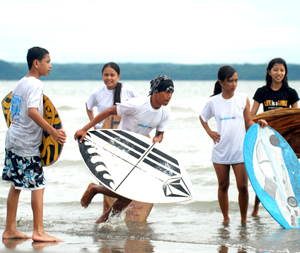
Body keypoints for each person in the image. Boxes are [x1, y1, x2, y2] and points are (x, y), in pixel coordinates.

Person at [74, 75, 174, 223]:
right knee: (127, 191)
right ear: (155, 91)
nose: (169, 96)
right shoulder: (137, 104)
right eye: (166, 92)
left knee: (131, 192)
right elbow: (109, 111)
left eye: (172, 92)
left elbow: (160, 133)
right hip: (119, 149)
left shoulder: (165, 111)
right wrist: (85, 129)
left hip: (138, 153)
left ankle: (103, 218)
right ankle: (97, 196)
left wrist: (157, 139)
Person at [2, 47, 67, 241]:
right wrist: (52, 131)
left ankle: (10, 229)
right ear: (36, 63)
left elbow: (12, 111)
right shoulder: (36, 85)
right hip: (25, 144)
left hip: (13, 140)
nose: (50, 65)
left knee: (16, 184)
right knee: (38, 185)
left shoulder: (21, 83)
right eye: (47, 61)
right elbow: (32, 111)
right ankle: (38, 232)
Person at [199, 65, 267, 225]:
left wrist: (259, 123)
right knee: (223, 185)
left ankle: (243, 221)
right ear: (221, 82)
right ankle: (226, 219)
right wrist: (210, 132)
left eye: (236, 80)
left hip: (239, 150)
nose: (234, 84)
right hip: (220, 151)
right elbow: (202, 117)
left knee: (243, 186)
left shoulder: (243, 98)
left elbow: (248, 121)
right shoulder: (213, 102)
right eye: (230, 81)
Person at [250, 57, 299, 216]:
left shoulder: (291, 93)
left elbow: (295, 119)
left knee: (287, 176)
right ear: (269, 72)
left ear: (285, 73)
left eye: (282, 70)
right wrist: (260, 122)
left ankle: (290, 207)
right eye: (275, 70)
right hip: (267, 139)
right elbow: (251, 117)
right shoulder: (262, 92)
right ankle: (257, 208)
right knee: (265, 174)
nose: (279, 73)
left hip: (286, 142)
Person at [86, 62, 139, 129]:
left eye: (112, 75)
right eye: (106, 75)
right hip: (102, 130)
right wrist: (94, 125)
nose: (109, 78)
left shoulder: (129, 90)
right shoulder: (96, 92)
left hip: (125, 131)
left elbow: (142, 105)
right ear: (102, 75)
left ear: (118, 76)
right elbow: (88, 106)